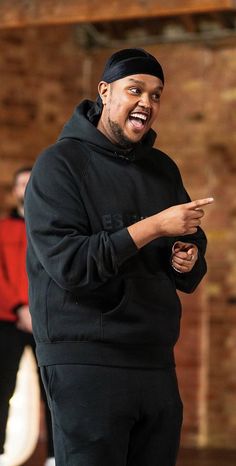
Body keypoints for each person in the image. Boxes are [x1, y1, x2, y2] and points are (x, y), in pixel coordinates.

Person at [24, 48, 213, 466]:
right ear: (104, 92)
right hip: (85, 358)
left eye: (157, 94)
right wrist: (155, 227)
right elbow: (71, 266)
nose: (147, 102)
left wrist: (187, 257)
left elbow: (187, 249)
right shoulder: (59, 165)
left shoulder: (163, 169)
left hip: (154, 357)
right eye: (135, 89)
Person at [0, 167, 55, 466]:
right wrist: (20, 307)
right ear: (14, 192)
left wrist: (37, 309)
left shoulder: (53, 229)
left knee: (53, 390)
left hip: (46, 319)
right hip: (7, 320)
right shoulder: (2, 228)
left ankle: (56, 456)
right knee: (2, 386)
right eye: (21, 183)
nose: (27, 187)